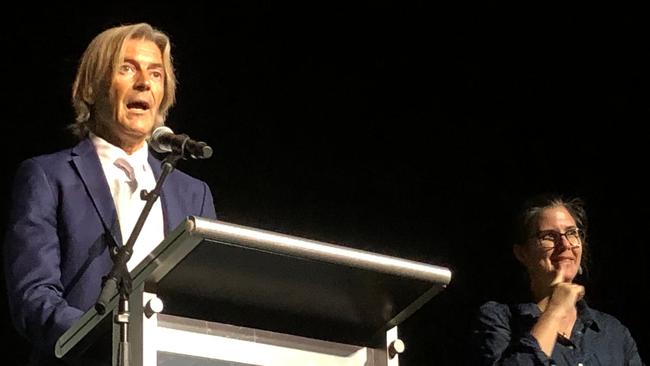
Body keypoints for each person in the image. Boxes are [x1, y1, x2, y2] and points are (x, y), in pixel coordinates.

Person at [3, 23, 216, 365]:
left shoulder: (194, 195)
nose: (144, 82)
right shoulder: (47, 176)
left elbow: (209, 303)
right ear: (91, 87)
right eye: (127, 68)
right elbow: (34, 297)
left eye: (156, 73)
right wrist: (104, 338)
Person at [471, 194, 644, 365]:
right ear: (522, 253)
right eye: (548, 236)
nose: (566, 244)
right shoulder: (500, 320)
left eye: (571, 233)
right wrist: (555, 310)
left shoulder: (613, 332)